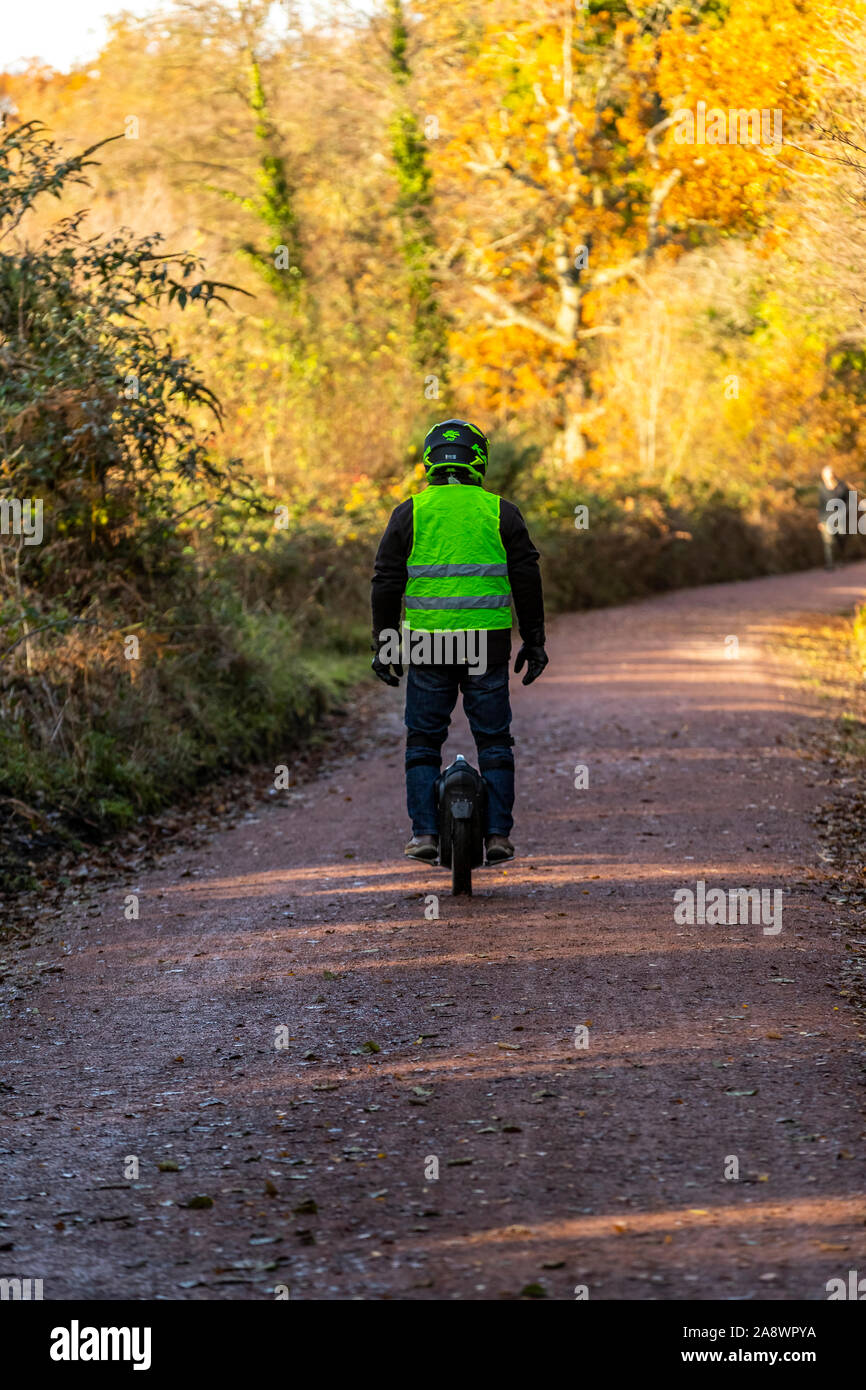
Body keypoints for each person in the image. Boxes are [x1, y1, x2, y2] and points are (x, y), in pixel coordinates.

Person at [370, 418, 547, 864]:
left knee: (424, 742)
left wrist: (385, 642)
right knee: (494, 741)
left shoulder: (410, 512)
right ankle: (496, 836)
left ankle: (426, 834)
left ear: (429, 460)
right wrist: (535, 639)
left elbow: (386, 581)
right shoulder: (500, 511)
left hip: (429, 646)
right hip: (485, 645)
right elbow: (526, 577)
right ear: (479, 460)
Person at [818, 465, 851, 571]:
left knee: (841, 539)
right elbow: (821, 505)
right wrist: (819, 520)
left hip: (841, 517)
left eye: (829, 474)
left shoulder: (842, 486)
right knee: (828, 541)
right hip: (826, 518)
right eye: (825, 475)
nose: (827, 477)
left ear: (833, 474)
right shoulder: (822, 487)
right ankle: (830, 563)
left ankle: (842, 558)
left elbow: (850, 501)